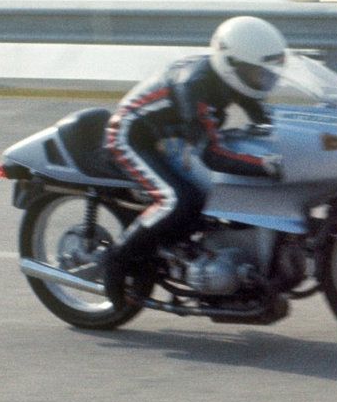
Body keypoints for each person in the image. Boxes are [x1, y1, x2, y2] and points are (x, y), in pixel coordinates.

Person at [101, 15, 286, 304]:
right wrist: (263, 165)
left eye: (267, 73)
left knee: (207, 198)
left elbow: (263, 116)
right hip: (131, 136)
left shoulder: (234, 78)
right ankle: (116, 259)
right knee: (179, 200)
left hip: (169, 136)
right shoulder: (194, 85)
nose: (262, 79)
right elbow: (211, 155)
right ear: (232, 64)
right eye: (256, 73)